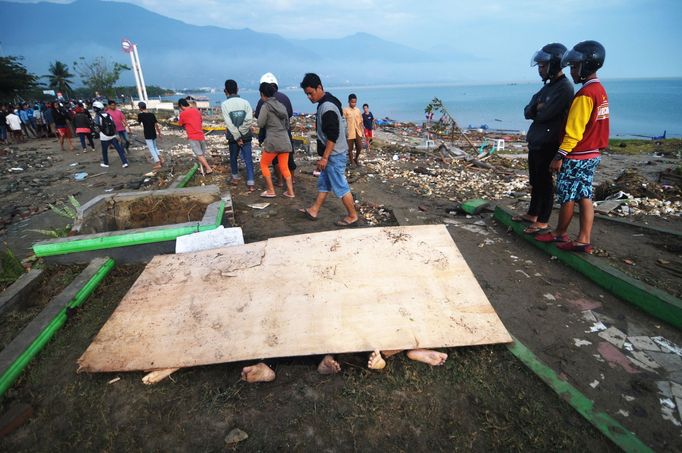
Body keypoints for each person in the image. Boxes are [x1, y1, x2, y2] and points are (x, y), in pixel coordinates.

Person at [535, 40, 609, 254]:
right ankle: (584, 239)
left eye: (575, 67)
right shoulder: (599, 90)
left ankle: (560, 232)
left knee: (567, 195)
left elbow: (574, 132)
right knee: (584, 195)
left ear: (586, 66)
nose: (573, 72)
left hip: (577, 154)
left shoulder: (585, 95)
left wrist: (558, 156)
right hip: (593, 153)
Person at [515, 43, 574, 234]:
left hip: (549, 142)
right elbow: (528, 110)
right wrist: (537, 107)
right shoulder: (549, 87)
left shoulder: (564, 88)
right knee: (536, 180)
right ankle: (533, 213)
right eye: (539, 65)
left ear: (554, 64)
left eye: (542, 66)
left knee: (545, 182)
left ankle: (543, 220)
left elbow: (545, 114)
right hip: (537, 140)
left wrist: (538, 109)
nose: (540, 70)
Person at [298, 73, 359, 227]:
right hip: (334, 153)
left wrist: (325, 157)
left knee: (340, 185)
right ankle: (314, 210)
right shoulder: (330, 99)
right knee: (324, 183)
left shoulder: (327, 107)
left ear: (319, 88)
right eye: (307, 94)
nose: (309, 97)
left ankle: (352, 216)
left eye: (311, 93)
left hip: (334, 154)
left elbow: (333, 135)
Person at [254, 72, 296, 185]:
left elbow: (260, 119)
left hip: (271, 134)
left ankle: (280, 181)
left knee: (275, 159)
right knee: (288, 157)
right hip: (285, 133)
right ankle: (291, 180)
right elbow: (290, 114)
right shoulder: (285, 98)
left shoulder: (263, 101)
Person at [221, 79, 255, 191]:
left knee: (233, 157)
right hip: (246, 135)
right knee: (248, 158)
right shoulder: (246, 103)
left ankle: (235, 178)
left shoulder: (224, 104)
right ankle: (251, 182)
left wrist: (237, 135)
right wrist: (242, 132)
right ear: (237, 89)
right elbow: (249, 120)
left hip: (233, 137)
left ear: (225, 90)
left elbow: (229, 123)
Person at [178, 98, 213, 175]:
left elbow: (180, 124)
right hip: (201, 135)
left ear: (181, 106)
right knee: (201, 154)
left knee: (199, 154)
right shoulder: (197, 111)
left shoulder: (183, 114)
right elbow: (200, 121)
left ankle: (208, 168)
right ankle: (202, 169)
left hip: (193, 136)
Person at [93, 100, 128, 168]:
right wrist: (116, 133)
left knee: (104, 151)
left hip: (104, 136)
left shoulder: (98, 116)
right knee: (119, 149)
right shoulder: (108, 115)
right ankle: (125, 162)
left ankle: (106, 163)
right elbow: (114, 125)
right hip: (112, 135)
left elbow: (96, 127)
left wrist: (98, 133)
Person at [137, 102, 163, 169]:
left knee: (151, 149)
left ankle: (158, 163)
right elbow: (156, 125)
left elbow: (139, 123)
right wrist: (159, 133)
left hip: (147, 133)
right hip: (153, 132)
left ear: (140, 107)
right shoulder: (152, 114)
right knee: (155, 147)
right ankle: (161, 159)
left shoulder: (140, 115)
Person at [343, 94, 364, 166]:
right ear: (349, 101)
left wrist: (362, 131)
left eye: (355, 102)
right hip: (349, 132)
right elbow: (343, 122)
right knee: (349, 149)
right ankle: (352, 161)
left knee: (359, 147)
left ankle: (356, 158)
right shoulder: (345, 110)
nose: (353, 104)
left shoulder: (357, 110)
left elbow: (361, 121)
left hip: (357, 131)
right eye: (352, 102)